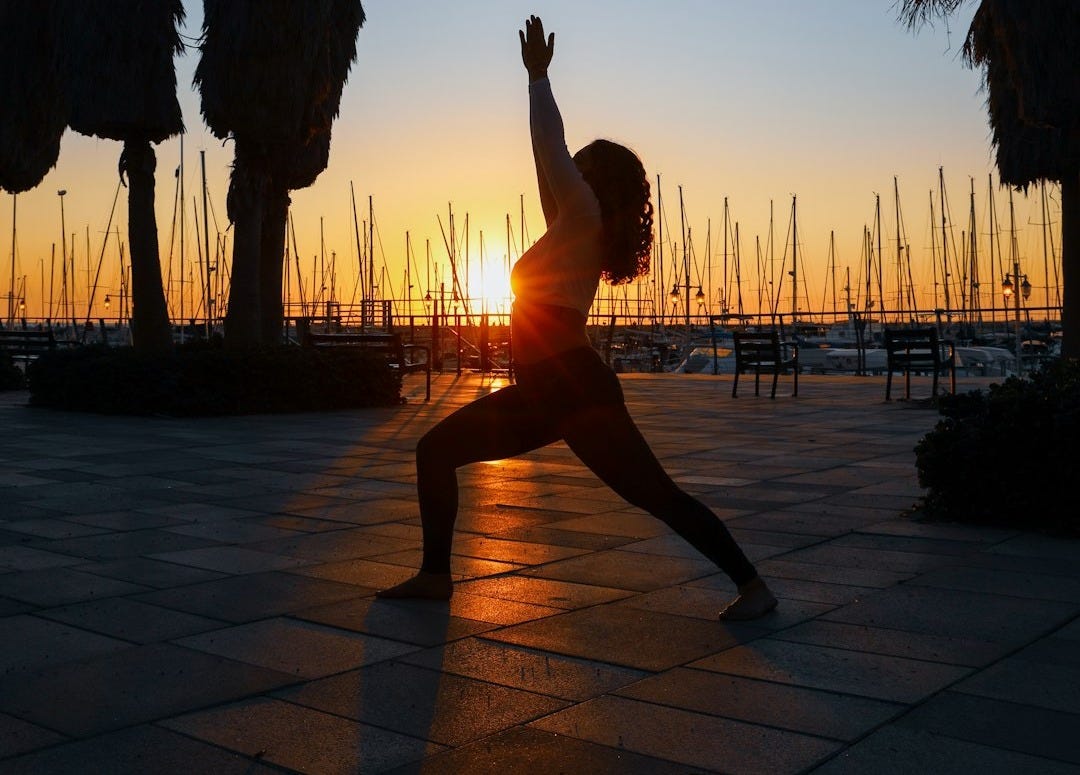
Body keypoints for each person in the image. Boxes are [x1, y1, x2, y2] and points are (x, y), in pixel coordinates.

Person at [377, 15, 777, 621]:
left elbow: (550, 148)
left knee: (655, 494)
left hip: (571, 387)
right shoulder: (573, 226)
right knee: (436, 452)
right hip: (548, 389)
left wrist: (538, 79)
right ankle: (434, 576)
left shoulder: (585, 213)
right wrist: (535, 93)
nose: (572, 164)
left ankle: (753, 586)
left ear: (594, 177)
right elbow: (546, 164)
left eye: (581, 160)